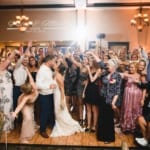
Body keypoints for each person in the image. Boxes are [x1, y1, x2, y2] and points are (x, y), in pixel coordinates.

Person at [50, 61, 84, 137]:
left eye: (56, 64)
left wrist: (62, 101)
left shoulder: (59, 76)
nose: (54, 65)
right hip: (55, 95)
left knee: (60, 112)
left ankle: (66, 126)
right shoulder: (56, 74)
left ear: (58, 68)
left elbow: (62, 89)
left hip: (59, 96)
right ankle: (59, 123)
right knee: (57, 112)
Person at [11, 67, 38, 143]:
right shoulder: (25, 97)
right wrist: (15, 113)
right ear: (27, 92)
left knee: (31, 115)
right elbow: (20, 105)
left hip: (31, 103)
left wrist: (27, 71)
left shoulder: (34, 87)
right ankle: (24, 138)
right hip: (22, 102)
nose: (33, 89)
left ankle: (31, 130)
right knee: (27, 118)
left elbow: (31, 79)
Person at [36, 54, 57, 138]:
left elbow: (50, 76)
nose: (54, 62)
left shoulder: (47, 68)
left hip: (50, 93)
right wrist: (49, 86)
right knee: (44, 112)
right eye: (53, 61)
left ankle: (52, 125)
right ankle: (42, 130)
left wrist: (55, 71)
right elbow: (38, 84)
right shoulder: (42, 70)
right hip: (44, 95)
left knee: (51, 110)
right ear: (49, 61)